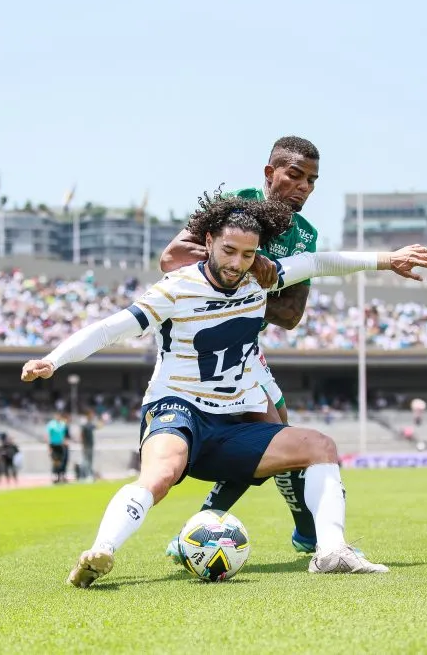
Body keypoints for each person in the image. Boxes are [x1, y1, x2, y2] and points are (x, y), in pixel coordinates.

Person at [20, 190, 427, 587]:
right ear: (208, 242)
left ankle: (331, 552)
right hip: (177, 408)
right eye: (229, 251)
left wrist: (388, 259)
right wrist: (51, 360)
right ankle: (101, 552)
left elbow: (322, 262)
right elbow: (110, 328)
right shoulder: (176, 288)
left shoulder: (263, 279)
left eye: (248, 254)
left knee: (320, 446)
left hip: (234, 417)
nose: (238, 263)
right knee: (161, 474)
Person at [158, 135, 323, 560]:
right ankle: (301, 531)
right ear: (270, 174)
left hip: (245, 349)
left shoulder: (305, 235)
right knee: (272, 441)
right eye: (295, 175)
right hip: (197, 349)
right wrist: (246, 272)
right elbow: (172, 257)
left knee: (276, 440)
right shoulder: (237, 206)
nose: (303, 186)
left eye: (312, 180)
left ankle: (301, 531)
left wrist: (248, 280)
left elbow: (290, 316)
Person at [46, 413, 71, 484]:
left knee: (61, 461)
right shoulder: (51, 424)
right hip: (54, 445)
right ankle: (55, 476)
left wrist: (64, 442)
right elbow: (48, 435)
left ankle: (60, 476)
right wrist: (48, 446)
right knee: (55, 461)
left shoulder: (62, 424)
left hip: (60, 445)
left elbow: (63, 435)